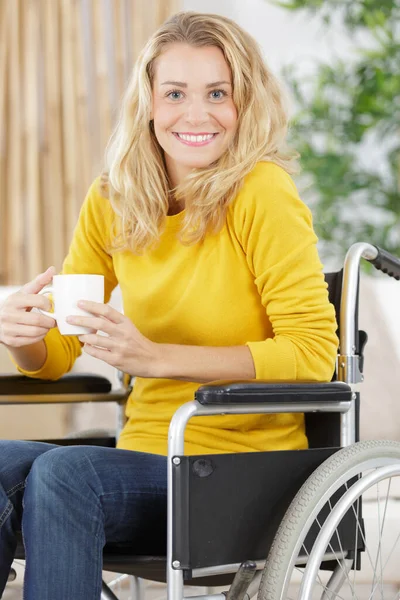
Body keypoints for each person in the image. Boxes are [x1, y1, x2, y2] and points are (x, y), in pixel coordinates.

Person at [0, 11, 338, 600]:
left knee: (64, 473)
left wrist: (158, 358)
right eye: (175, 93)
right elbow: (55, 355)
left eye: (217, 93)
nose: (196, 114)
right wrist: (23, 335)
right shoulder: (113, 198)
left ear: (245, 102)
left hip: (239, 470)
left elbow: (313, 355)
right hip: (142, 461)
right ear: (149, 104)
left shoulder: (261, 192)